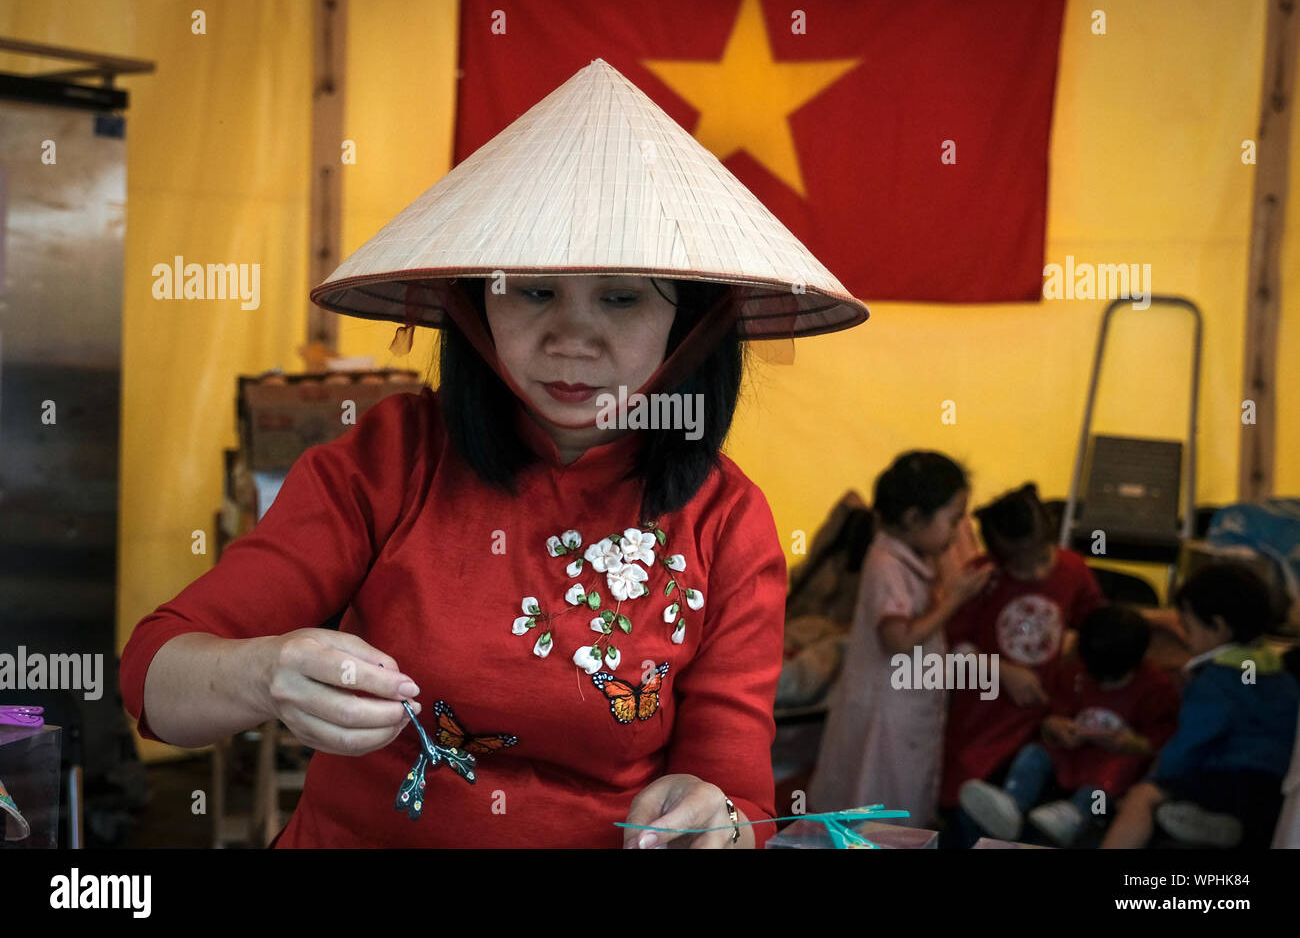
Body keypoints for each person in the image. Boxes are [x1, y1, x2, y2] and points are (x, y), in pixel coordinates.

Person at [118, 59, 872, 848]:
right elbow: (153, 676)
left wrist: (710, 816)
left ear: (694, 323)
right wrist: (266, 673)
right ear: (475, 303)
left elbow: (741, 800)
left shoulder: (727, 520)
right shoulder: (392, 459)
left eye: (621, 297)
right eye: (532, 291)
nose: (571, 339)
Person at [808, 452, 993, 828]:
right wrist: (956, 598)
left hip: (904, 711)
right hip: (884, 714)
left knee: (896, 796)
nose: (959, 531)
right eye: (953, 519)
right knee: (875, 798)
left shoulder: (909, 556)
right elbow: (898, 638)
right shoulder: (885, 563)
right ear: (913, 518)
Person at [938, 483, 1105, 838]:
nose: (1037, 573)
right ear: (1001, 554)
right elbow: (951, 644)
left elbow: (1097, 631)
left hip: (1044, 710)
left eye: (1042, 558)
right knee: (969, 801)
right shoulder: (982, 576)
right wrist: (1000, 671)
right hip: (985, 711)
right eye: (1021, 564)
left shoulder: (1073, 569)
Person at [1101, 563, 1300, 849]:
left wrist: (1155, 780)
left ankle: (1205, 820)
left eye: (1187, 626)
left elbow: (1190, 743)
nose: (1183, 634)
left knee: (1141, 798)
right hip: (1272, 794)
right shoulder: (1281, 674)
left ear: (1218, 627)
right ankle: (1216, 824)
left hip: (1227, 782)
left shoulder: (1215, 679)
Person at [958, 604, 1178, 846]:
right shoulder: (1075, 673)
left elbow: (1162, 741)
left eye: (1114, 679)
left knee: (1112, 779)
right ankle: (1012, 803)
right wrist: (1056, 726)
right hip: (1073, 755)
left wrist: (1130, 742)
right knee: (1035, 753)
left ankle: (1077, 815)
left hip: (1110, 779)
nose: (1104, 686)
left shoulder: (1157, 688)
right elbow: (1053, 712)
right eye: (1097, 677)